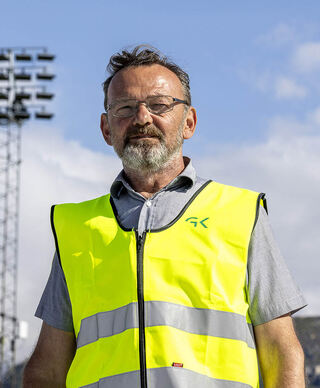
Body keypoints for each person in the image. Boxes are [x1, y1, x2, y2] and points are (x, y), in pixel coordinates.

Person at [23, 45, 307, 388]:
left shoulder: (242, 213)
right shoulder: (76, 227)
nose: (142, 118)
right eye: (125, 107)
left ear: (189, 122)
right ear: (106, 128)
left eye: (159, 105)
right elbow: (47, 369)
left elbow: (282, 352)